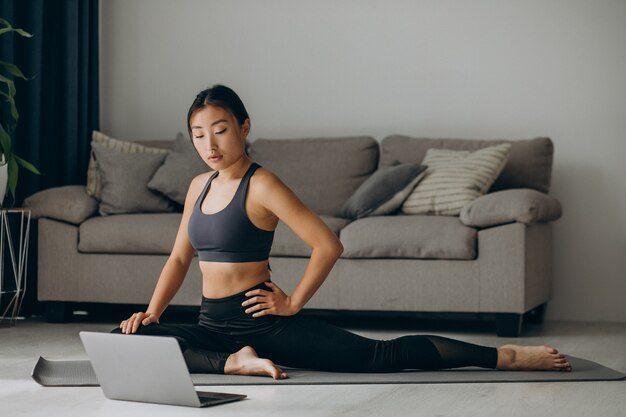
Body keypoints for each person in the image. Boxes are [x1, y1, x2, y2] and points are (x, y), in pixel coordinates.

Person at [111, 84, 572, 379]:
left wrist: (291, 303)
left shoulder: (263, 184)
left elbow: (328, 244)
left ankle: (506, 356)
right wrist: (150, 314)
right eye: (197, 134)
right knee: (123, 339)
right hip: (211, 325)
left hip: (262, 323)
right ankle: (233, 363)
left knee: (381, 357)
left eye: (220, 130)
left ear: (243, 127)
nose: (209, 144)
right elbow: (178, 258)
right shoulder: (198, 185)